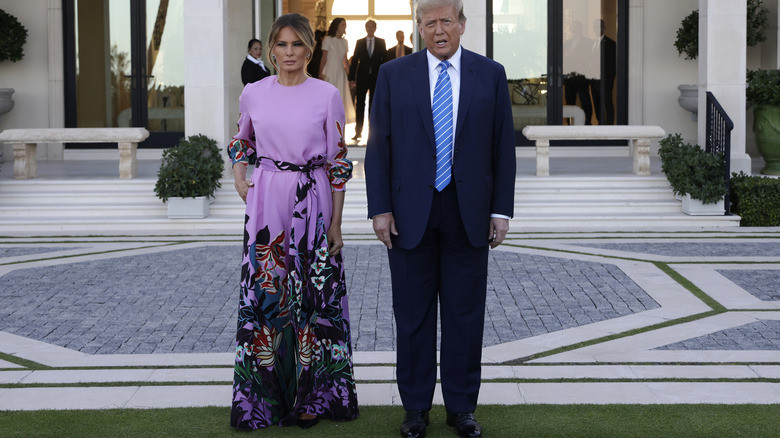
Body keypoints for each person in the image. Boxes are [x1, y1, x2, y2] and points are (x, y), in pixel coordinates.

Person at [364, 0, 515, 437]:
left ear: (462, 25)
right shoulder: (394, 74)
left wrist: (500, 210)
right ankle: (414, 409)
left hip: (469, 213)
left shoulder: (490, 73)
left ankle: (461, 407)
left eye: (446, 21)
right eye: (429, 23)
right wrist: (380, 208)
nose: (438, 29)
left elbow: (502, 148)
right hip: (410, 214)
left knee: (465, 315)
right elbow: (379, 147)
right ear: (419, 29)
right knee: (412, 316)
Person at [227, 13, 358, 431]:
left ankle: (312, 399)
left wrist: (335, 223)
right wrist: (239, 177)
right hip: (266, 202)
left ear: (309, 49)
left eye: (297, 45)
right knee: (267, 294)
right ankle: (264, 400)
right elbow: (241, 140)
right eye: (281, 45)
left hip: (311, 198)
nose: (288, 53)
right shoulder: (253, 92)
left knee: (313, 299)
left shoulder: (326, 95)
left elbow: (338, 163)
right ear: (270, 48)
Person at [348, 19, 387, 142]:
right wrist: (351, 78)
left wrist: (385, 78)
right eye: (368, 27)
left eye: (372, 27)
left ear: (375, 28)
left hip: (376, 78)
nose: (370, 29)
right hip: (362, 77)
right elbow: (354, 61)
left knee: (373, 105)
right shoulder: (360, 42)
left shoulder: (381, 42)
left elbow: (385, 60)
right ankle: (358, 132)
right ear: (366, 28)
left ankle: (373, 133)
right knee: (360, 104)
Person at [319, 17, 356, 124]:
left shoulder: (345, 42)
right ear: (337, 26)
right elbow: (324, 58)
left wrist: (351, 77)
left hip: (340, 73)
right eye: (343, 24)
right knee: (329, 99)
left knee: (341, 98)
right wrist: (320, 74)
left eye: (345, 25)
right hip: (329, 71)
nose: (345, 27)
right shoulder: (328, 40)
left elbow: (345, 61)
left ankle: (340, 131)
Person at [563, 20, 594, 124]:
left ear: (580, 29)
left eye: (576, 27)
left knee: (585, 101)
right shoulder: (567, 43)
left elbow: (589, 57)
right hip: (569, 77)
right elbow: (563, 57)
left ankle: (587, 123)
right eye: (572, 28)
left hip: (581, 76)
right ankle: (569, 123)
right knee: (569, 101)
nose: (574, 30)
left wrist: (574, 55)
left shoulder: (588, 42)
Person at [589, 19, 617, 125]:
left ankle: (610, 125)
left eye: (599, 26)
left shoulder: (611, 43)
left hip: (605, 80)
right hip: (593, 79)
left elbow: (613, 64)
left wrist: (610, 79)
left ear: (604, 28)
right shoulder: (591, 43)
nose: (597, 29)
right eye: (595, 27)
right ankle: (601, 123)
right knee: (596, 102)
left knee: (607, 103)